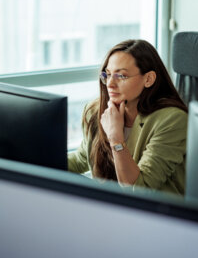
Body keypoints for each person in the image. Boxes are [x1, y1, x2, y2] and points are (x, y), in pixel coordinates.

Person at [68, 39, 188, 195]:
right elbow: (82, 159)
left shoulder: (172, 120)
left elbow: (139, 189)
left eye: (121, 76)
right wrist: (36, 160)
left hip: (156, 213)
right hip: (109, 207)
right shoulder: (96, 111)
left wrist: (115, 138)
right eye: (108, 74)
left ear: (148, 79)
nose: (110, 84)